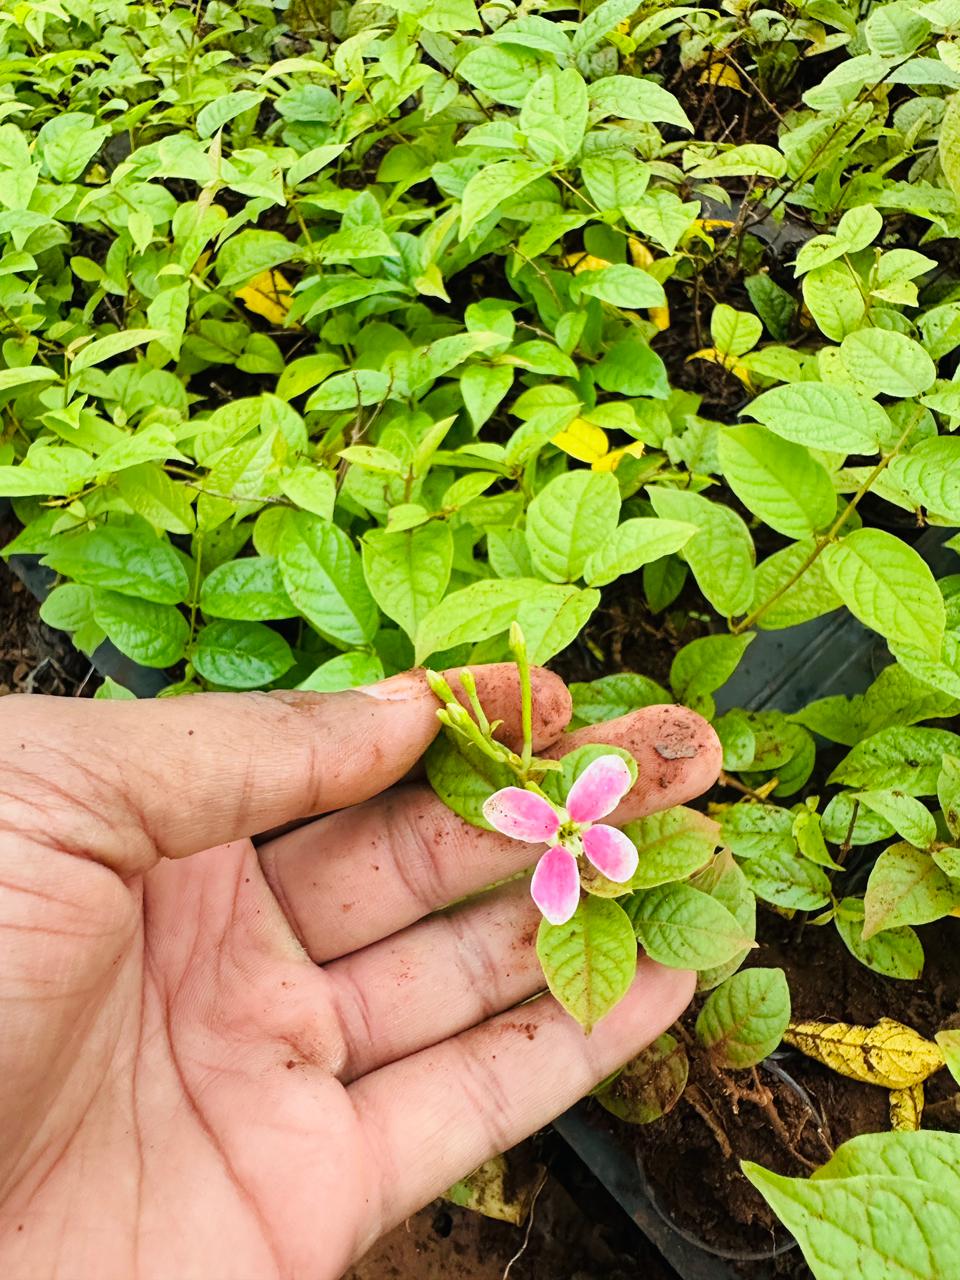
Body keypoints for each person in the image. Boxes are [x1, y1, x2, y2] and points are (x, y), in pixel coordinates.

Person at [0, 663, 720, 1279]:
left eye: (570, 829)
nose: (567, 830)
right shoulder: (528, 818)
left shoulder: (595, 833)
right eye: (565, 828)